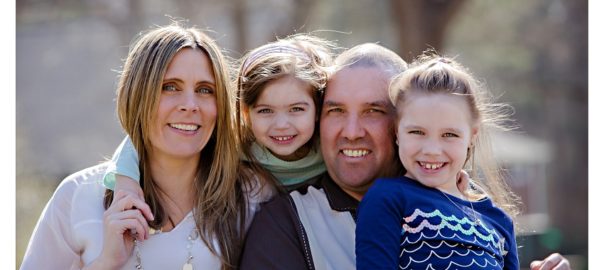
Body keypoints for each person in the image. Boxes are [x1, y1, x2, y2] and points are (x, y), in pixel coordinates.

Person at [238, 43, 571, 270]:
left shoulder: (482, 216)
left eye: (373, 111)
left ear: (401, 124)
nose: (351, 131)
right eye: (336, 110)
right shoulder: (286, 222)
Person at [21, 23, 270, 270]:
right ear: (138, 96)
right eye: (170, 87)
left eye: (205, 90)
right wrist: (107, 262)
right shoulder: (77, 196)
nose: (190, 105)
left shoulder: (252, 196)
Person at [103, 34, 334, 194]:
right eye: (265, 111)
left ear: (317, 108)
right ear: (245, 112)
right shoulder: (238, 144)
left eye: (296, 109)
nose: (282, 124)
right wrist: (126, 181)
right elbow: (136, 139)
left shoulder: (328, 147)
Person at [355, 53, 520, 269]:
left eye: (449, 135)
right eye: (417, 132)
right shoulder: (388, 199)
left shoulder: (498, 220)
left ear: (472, 136)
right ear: (397, 132)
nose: (432, 150)